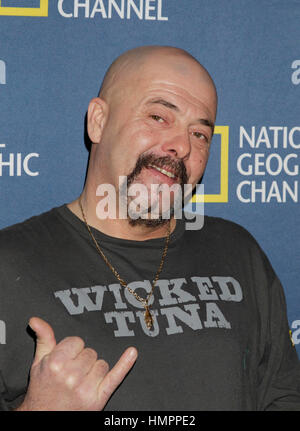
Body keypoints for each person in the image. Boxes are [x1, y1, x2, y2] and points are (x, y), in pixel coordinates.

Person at [0, 45, 299, 411]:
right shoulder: (7, 265)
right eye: (158, 117)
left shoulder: (238, 252)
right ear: (98, 121)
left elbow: (282, 396)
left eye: (200, 134)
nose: (181, 147)